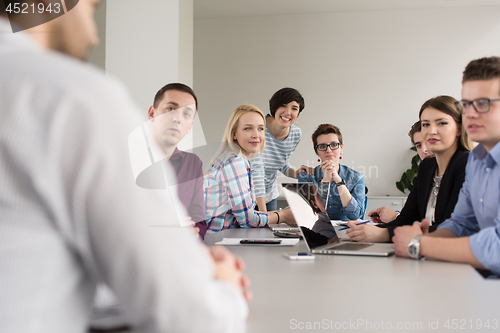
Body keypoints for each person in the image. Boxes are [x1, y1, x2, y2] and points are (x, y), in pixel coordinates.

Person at [0, 1, 250, 332]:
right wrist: (224, 286)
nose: (94, 35)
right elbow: (190, 317)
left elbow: (29, 264)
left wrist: (185, 262)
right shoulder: (73, 97)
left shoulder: (190, 163)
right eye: (92, 7)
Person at [392, 56, 500, 277]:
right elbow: (462, 223)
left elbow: (496, 247)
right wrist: (424, 240)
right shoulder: (478, 162)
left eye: (482, 103)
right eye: (466, 104)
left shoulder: (465, 160)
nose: (470, 113)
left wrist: (419, 244)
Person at [347, 96, 472, 243]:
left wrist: (384, 235)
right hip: (427, 252)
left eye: (442, 123)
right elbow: (407, 219)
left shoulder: (468, 163)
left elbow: (454, 229)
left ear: (459, 128)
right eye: (426, 124)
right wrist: (365, 230)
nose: (431, 131)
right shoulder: (427, 166)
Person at [205, 104, 294, 233]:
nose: (256, 135)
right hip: (215, 241)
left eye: (261, 129)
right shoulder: (234, 162)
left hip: (222, 238)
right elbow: (248, 220)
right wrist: (283, 216)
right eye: (248, 128)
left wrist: (282, 212)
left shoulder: (234, 158)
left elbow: (244, 215)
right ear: (234, 134)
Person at [145, 83, 207, 240]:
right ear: (152, 113)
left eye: (186, 114)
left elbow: (200, 222)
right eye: (171, 109)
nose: (177, 119)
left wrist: (192, 232)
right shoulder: (125, 158)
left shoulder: (193, 164)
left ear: (190, 126)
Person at [251, 87, 310, 212]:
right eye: (283, 105)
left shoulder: (295, 134)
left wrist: (295, 173)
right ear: (274, 107)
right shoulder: (258, 127)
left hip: (269, 195)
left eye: (294, 108)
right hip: (245, 195)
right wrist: (263, 213)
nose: (288, 112)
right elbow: (255, 170)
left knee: (269, 231)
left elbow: (281, 162)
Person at [368, 120, 433, 223]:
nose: (424, 150)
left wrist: (395, 217)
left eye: (428, 142)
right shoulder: (425, 174)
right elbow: (413, 217)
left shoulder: (459, 171)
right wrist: (395, 217)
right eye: (419, 145)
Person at [298, 124, 366, 220]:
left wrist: (338, 180)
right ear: (316, 151)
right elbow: (308, 214)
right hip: (317, 228)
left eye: (334, 145)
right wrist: (326, 179)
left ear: (341, 148)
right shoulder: (306, 176)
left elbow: (355, 215)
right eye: (322, 146)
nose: (328, 150)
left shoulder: (356, 177)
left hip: (346, 230)